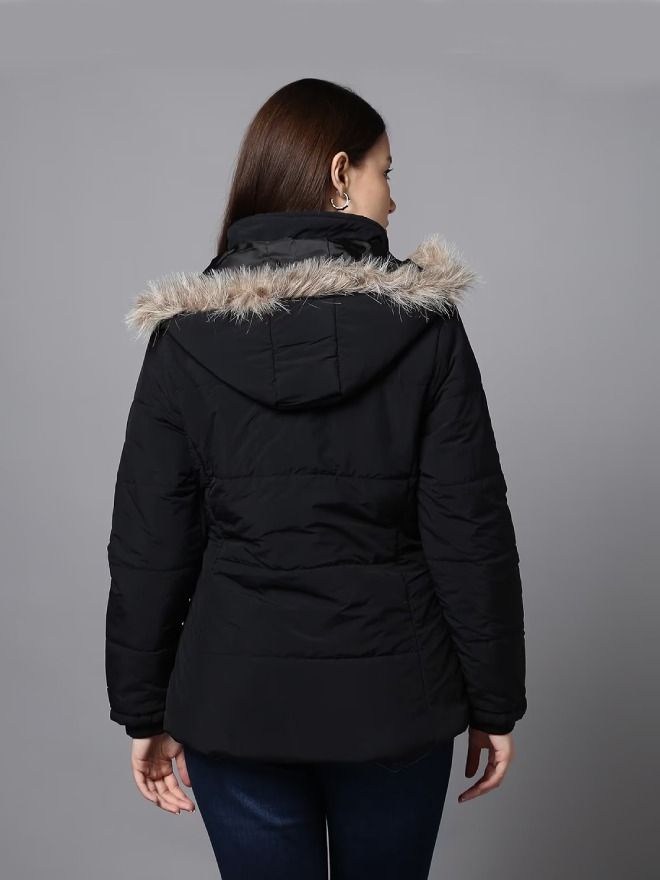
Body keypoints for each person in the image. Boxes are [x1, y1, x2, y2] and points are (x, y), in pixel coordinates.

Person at [104, 77, 527, 880]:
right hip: (395, 702)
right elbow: (468, 531)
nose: (393, 200)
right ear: (340, 173)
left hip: (235, 700)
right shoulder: (427, 328)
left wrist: (143, 709)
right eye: (385, 173)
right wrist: (495, 700)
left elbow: (151, 542)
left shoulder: (185, 337)